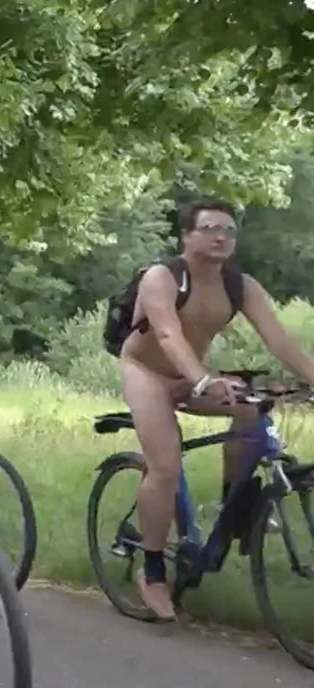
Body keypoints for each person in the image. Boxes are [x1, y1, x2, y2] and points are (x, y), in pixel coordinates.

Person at [117, 199, 314, 622]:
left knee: (251, 410)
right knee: (165, 468)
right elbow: (168, 335)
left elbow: (279, 341)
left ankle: (235, 510)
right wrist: (203, 380)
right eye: (209, 228)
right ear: (186, 236)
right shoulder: (163, 278)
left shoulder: (240, 285)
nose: (221, 236)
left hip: (195, 375)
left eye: (228, 229)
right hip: (147, 373)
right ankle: (152, 575)